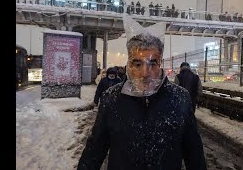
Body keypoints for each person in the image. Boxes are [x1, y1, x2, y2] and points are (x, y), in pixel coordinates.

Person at [77, 15, 207, 170]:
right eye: (137, 63)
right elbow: (94, 150)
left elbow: (194, 153)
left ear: (160, 64)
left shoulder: (180, 98)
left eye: (152, 63)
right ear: (128, 65)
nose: (145, 73)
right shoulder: (111, 99)